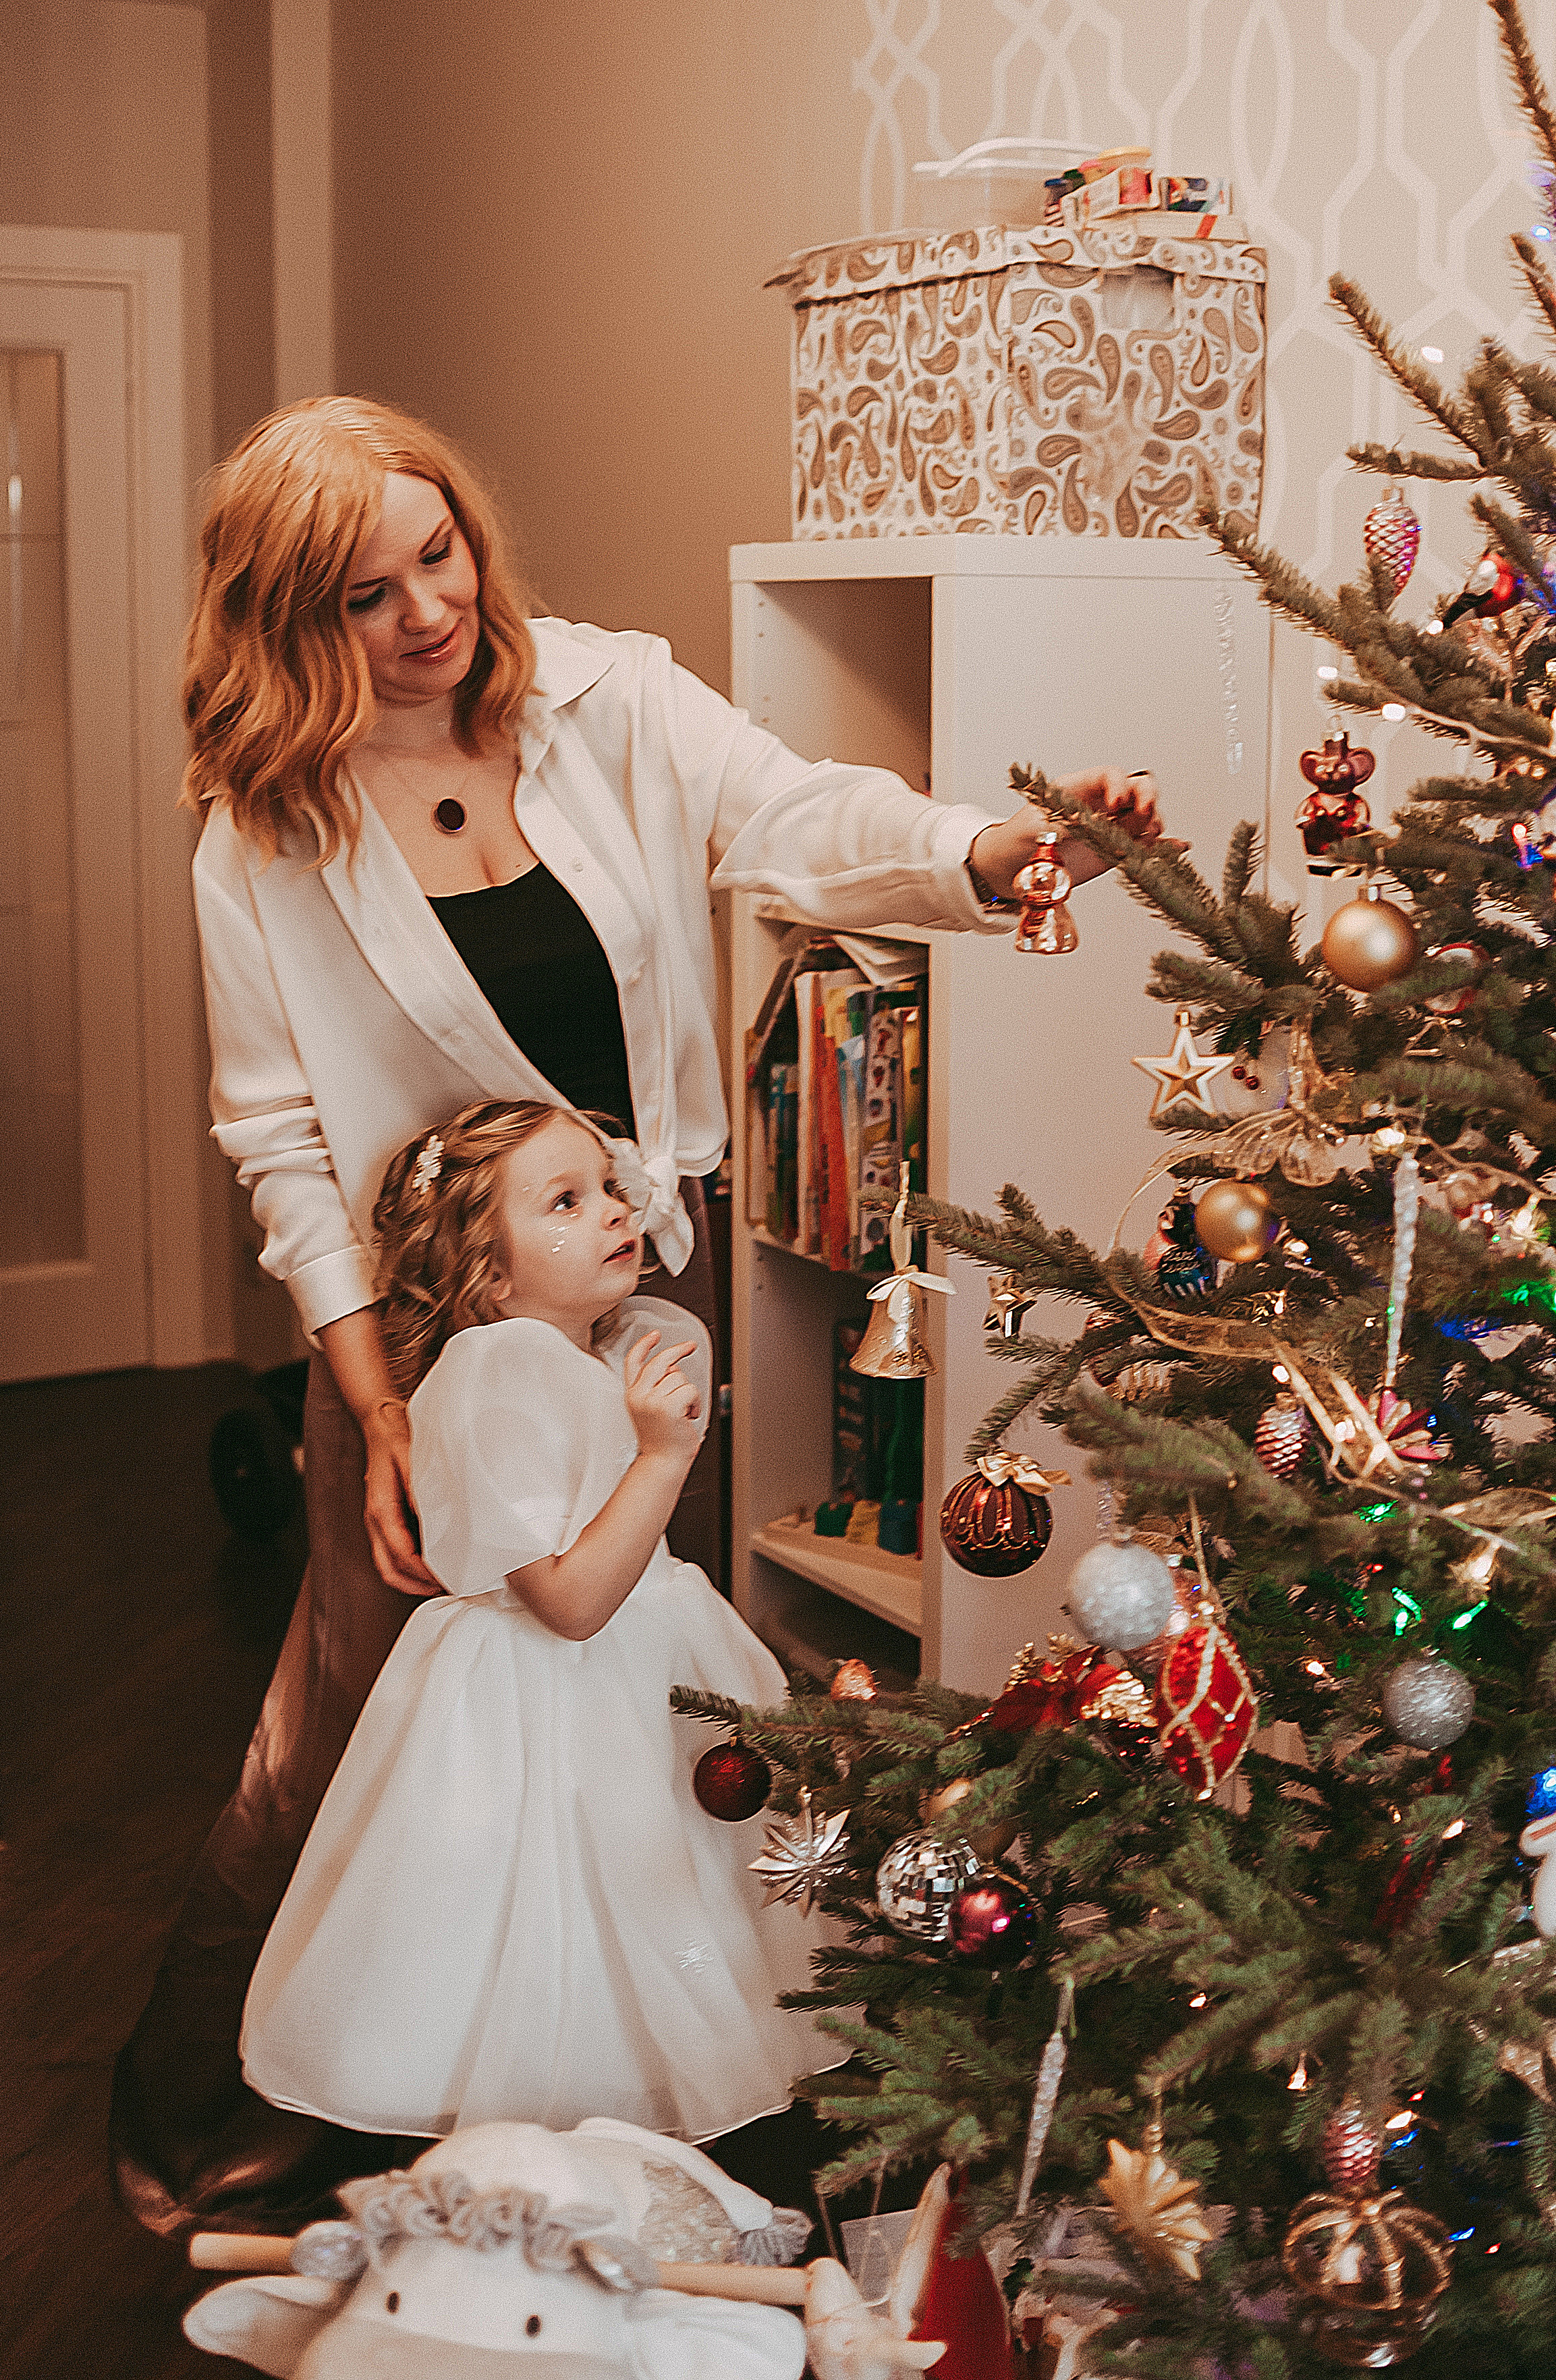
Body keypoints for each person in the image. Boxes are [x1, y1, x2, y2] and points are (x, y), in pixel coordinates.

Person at [111, 394, 1163, 2234]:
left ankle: (624, 2079)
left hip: (632, 1275)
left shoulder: (606, 702)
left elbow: (793, 815)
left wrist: (987, 850)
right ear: (290, 623)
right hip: (425, 1343)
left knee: (629, 1696)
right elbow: (278, 1141)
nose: (426, 612)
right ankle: (235, 2078)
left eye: (435, 554)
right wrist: (372, 1412)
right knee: (359, 1723)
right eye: (363, 594)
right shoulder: (258, 835)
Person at [241, 1097, 837, 2145]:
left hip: (647, 1660)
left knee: (660, 1874)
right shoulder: (495, 1371)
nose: (614, 1212)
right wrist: (662, 1457)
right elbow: (566, 1603)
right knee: (559, 1897)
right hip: (554, 1687)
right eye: (566, 1202)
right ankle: (574, 2121)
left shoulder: (617, 1347)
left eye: (610, 1187)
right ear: (490, 1277)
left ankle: (647, 2110)